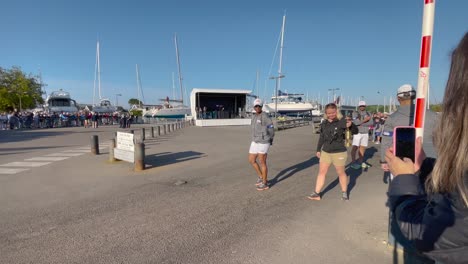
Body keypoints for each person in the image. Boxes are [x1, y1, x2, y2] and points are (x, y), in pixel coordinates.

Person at [385, 32, 468, 263]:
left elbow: (426, 233)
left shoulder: (392, 119)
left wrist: (398, 175)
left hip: (411, 173)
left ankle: (394, 242)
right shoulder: (435, 117)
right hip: (433, 167)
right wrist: (427, 166)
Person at [380, 84, 437, 172]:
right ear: (414, 96)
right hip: (430, 160)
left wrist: (384, 160)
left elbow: (386, 141)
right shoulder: (433, 115)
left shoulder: (392, 118)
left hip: (403, 163)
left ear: (398, 98)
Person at [308, 103, 352, 201]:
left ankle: (344, 192)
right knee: (321, 172)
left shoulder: (341, 121)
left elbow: (352, 129)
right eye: (329, 113)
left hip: (339, 152)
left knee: (341, 173)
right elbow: (322, 137)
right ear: (326, 113)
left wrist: (350, 124)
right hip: (326, 152)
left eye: (333, 112)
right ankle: (316, 193)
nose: (331, 115)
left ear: (336, 111)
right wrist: (318, 149)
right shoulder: (324, 123)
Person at [248, 98, 275, 191]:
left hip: (264, 141)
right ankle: (261, 176)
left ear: (262, 106)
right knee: (251, 160)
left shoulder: (265, 116)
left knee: (262, 161)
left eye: (259, 106)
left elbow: (271, 128)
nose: (257, 107)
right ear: (254, 107)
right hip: (255, 141)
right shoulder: (254, 116)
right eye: (256, 106)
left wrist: (270, 139)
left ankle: (265, 183)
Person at [350, 101, 372, 169]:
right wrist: (365, 120)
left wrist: (361, 123)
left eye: (363, 106)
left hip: (365, 133)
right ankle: (353, 162)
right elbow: (356, 123)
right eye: (361, 106)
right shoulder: (355, 113)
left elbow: (371, 123)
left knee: (362, 148)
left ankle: (360, 162)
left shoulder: (369, 113)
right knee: (355, 147)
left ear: (365, 106)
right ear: (359, 106)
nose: (362, 107)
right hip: (357, 133)